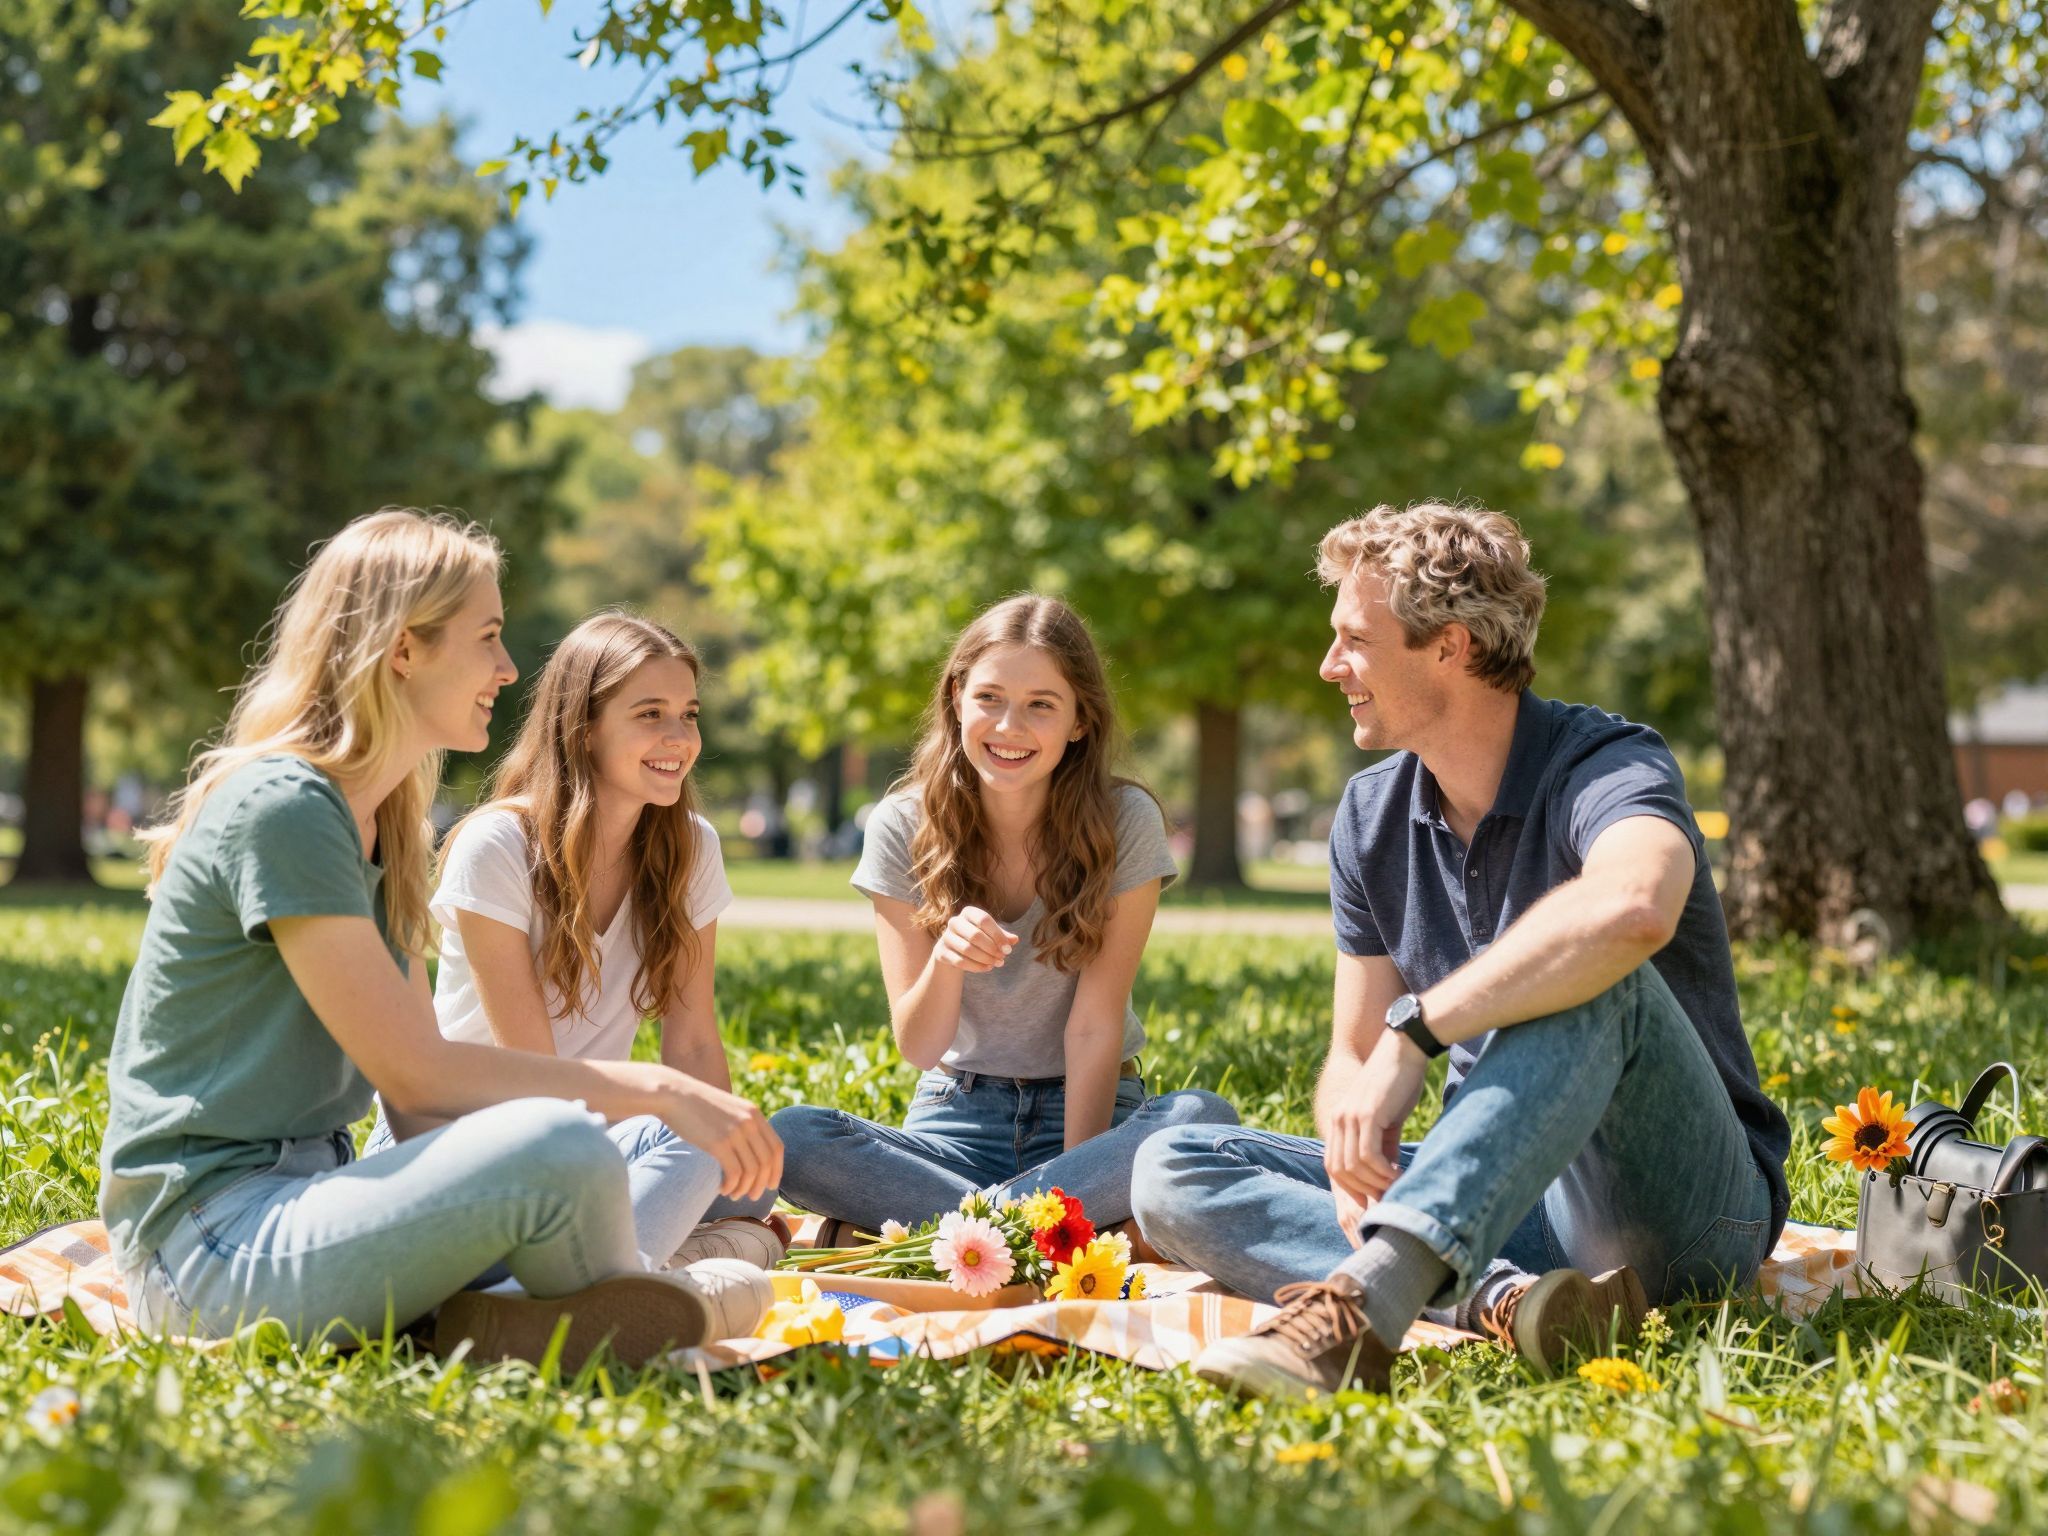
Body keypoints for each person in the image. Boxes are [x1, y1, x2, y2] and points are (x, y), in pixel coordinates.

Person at [1131, 503, 1790, 1397]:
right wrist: (1347, 1158)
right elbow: (1350, 1054)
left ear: (1449, 645)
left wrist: (1420, 1032)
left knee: (1594, 971)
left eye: (1355, 640)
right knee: (1173, 1167)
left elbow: (1635, 907)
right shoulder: (1369, 815)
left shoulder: (1608, 763)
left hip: (1683, 1216)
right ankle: (1506, 1303)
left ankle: (1363, 1311)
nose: (1331, 668)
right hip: (1498, 1199)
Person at [99, 509, 781, 1366]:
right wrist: (644, 1092)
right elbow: (414, 1069)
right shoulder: (283, 805)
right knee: (564, 1141)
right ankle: (634, 1300)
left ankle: (542, 1310)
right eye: (488, 637)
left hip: (322, 1196)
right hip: (209, 1243)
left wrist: (503, 1197)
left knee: (600, 1149)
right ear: (402, 648)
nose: (506, 668)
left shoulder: (384, 820)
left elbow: (420, 1111)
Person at [772, 595, 1236, 1237]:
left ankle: (975, 1233)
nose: (1009, 727)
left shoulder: (1125, 821)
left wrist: (1075, 1177)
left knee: (1201, 1117)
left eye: (1041, 704)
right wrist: (945, 961)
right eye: (989, 697)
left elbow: (1094, 1030)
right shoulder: (901, 825)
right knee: (793, 1137)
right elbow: (919, 1045)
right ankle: (1050, 1234)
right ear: (957, 697)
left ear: (1079, 721)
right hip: (955, 1119)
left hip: (1092, 1121)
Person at [367, 611, 786, 1271]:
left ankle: (594, 1271)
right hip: (458, 1147)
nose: (678, 737)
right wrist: (677, 1125)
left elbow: (696, 1043)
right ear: (584, 729)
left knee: (741, 1166)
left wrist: (722, 1145)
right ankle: (613, 1280)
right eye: (650, 714)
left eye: (689, 714)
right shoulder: (498, 845)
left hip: (590, 1141)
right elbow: (535, 1082)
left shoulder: (690, 848)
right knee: (709, 1167)